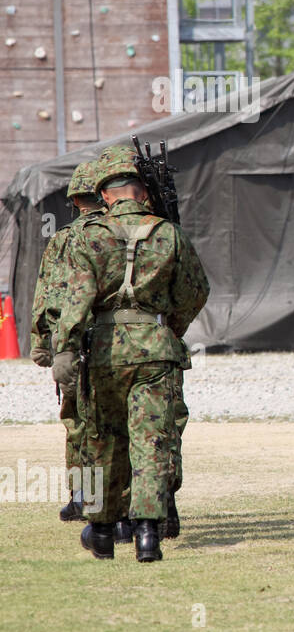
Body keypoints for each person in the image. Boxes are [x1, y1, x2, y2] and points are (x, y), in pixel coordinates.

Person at [52, 146, 209, 562]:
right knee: (151, 440)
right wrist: (169, 326)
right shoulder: (168, 233)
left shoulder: (88, 236)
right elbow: (196, 291)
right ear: (141, 193)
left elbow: (76, 300)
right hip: (156, 352)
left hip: (103, 353)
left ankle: (102, 530)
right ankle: (147, 534)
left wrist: (64, 349)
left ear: (105, 196)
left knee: (103, 439)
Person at [29, 161, 105, 523]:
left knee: (76, 420)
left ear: (75, 200)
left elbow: (45, 295)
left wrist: (42, 344)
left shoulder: (63, 240)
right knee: (114, 421)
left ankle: (81, 496)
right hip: (115, 341)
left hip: (71, 344)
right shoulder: (118, 233)